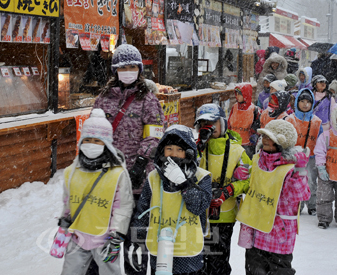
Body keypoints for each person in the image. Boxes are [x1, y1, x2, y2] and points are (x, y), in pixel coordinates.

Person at [93, 43, 165, 275]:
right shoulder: (103, 99)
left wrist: (141, 164)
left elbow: (155, 135)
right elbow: (93, 133)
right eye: (123, 66)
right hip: (107, 180)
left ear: (139, 69)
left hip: (138, 181)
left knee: (135, 241)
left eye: (132, 66)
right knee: (106, 237)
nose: (127, 70)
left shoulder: (148, 100)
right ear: (115, 69)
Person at [128, 125, 212, 275]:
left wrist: (183, 183)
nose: (173, 154)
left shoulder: (201, 177)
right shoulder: (154, 177)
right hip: (159, 252)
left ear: (188, 153)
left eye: (179, 150)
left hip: (188, 253)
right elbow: (143, 212)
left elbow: (198, 206)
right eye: (169, 149)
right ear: (162, 150)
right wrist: (137, 241)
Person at [60, 109, 134, 275]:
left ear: (106, 144)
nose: (91, 144)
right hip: (77, 237)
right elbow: (69, 199)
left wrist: (116, 234)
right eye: (87, 139)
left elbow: (123, 206)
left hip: (106, 239)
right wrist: (65, 220)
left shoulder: (117, 173)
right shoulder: (71, 171)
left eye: (97, 140)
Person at [237, 119, 310, 275]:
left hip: (279, 235)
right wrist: (241, 175)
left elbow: (298, 194)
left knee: (279, 271)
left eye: (270, 137)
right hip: (257, 230)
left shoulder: (290, 166)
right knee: (254, 270)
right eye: (264, 136)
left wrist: (300, 171)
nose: (265, 140)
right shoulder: (257, 160)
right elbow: (252, 185)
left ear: (283, 142)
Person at [194, 104, 251, 275]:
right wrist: (198, 148)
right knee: (198, 260)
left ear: (223, 123)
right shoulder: (196, 149)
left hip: (224, 215)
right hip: (198, 215)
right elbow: (186, 172)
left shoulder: (237, 151)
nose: (209, 128)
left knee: (218, 260)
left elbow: (249, 181)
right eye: (203, 123)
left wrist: (229, 190)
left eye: (213, 123)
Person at [286, 88, 323, 216]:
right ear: (297, 102)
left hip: (311, 157)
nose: (305, 104)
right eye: (302, 101)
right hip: (294, 157)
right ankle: (297, 204)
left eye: (308, 101)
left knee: (312, 181)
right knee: (295, 181)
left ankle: (312, 205)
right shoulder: (290, 120)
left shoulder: (317, 122)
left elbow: (321, 140)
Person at [228, 83, 261, 155]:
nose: (237, 96)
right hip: (234, 142)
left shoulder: (254, 109)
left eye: (239, 94)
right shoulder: (234, 107)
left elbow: (258, 125)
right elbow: (229, 123)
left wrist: (254, 134)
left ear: (246, 95)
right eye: (236, 94)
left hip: (247, 145)